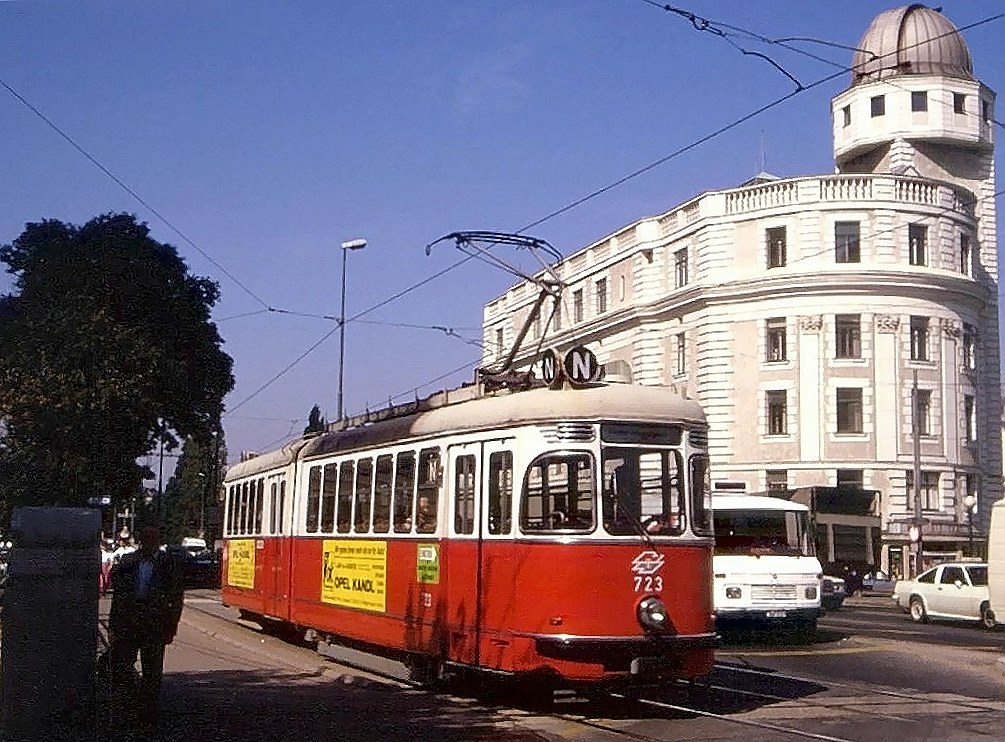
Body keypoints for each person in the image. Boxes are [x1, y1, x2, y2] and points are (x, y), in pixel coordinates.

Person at [107, 524, 184, 727]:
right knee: (122, 667)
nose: (149, 542)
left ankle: (147, 714)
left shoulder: (168, 564)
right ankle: (127, 707)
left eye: (153, 538)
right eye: (146, 538)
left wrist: (172, 626)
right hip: (128, 624)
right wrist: (113, 625)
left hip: (155, 626)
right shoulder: (129, 561)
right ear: (141, 540)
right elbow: (119, 596)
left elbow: (176, 598)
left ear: (158, 541)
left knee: (152, 671)